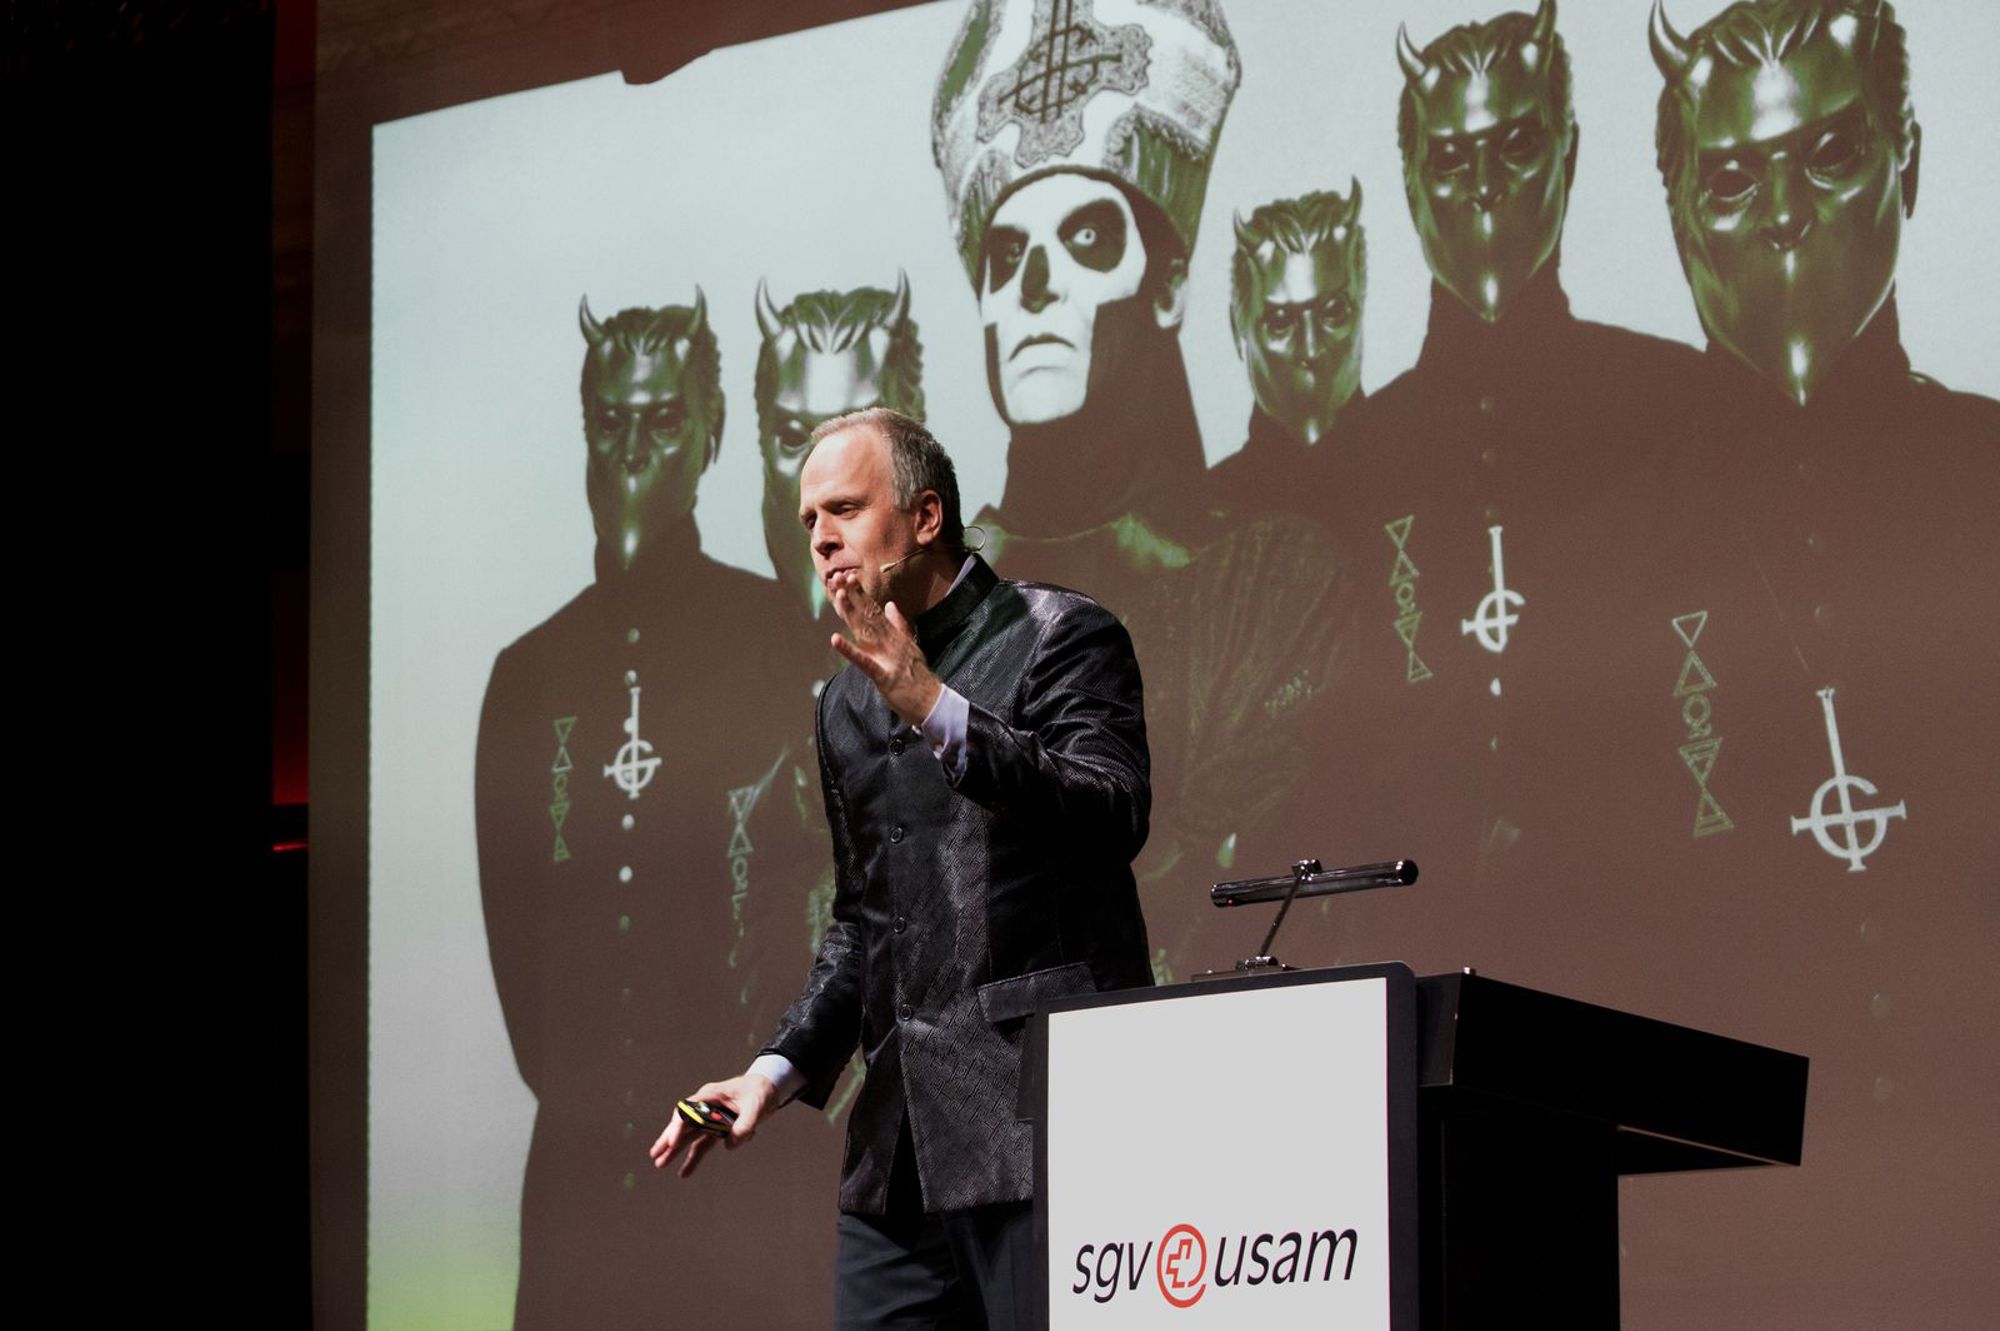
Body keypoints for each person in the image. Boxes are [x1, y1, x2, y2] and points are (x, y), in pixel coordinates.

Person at [651, 407, 1155, 1329]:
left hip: (1042, 1119)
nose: (821, 537)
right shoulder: (844, 703)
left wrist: (931, 703)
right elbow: (865, 923)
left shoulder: (1061, 633)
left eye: (844, 508)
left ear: (926, 518)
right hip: (899, 1151)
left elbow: (1110, 810)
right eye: (809, 519)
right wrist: (772, 1071)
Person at [930, 0, 1354, 970]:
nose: (1033, 286)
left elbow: (1228, 865)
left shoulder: (1273, 576)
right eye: (1006, 256)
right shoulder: (931, 605)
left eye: (1086, 240)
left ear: (1167, 287)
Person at [475, 295, 833, 1327]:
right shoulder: (526, 674)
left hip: (745, 1175)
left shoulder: (773, 629)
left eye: (663, 419)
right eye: (611, 420)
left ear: (711, 434)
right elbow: (522, 976)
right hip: (578, 1187)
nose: (632, 448)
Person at [1207, 181, 1369, 522]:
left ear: (1361, 307)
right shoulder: (1208, 515)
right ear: (1238, 329)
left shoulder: (1428, 474)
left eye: (1333, 312)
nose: (1311, 348)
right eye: (1280, 322)